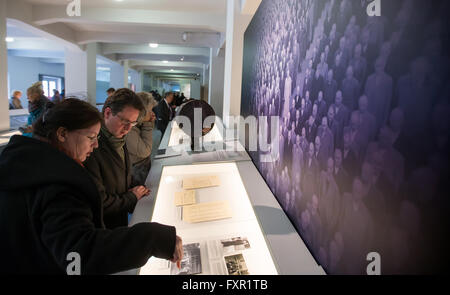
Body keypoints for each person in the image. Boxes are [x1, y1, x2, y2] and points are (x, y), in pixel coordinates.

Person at [0, 98, 182, 274]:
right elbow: (80, 254)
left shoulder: (24, 164)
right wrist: (153, 238)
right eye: (91, 137)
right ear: (62, 134)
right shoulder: (58, 183)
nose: (95, 145)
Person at [84, 89, 150, 229]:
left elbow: (122, 174)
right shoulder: (90, 149)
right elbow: (99, 201)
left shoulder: (118, 138)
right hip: (104, 229)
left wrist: (138, 189)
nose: (127, 128)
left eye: (132, 123)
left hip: (119, 221)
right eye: (125, 121)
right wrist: (132, 198)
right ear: (107, 113)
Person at [126, 92, 158, 186]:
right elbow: (145, 151)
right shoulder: (130, 128)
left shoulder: (138, 124)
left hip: (140, 166)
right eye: (150, 111)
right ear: (142, 111)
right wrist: (148, 124)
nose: (152, 113)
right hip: (136, 169)